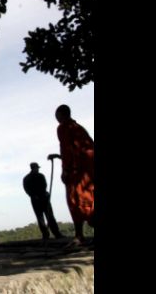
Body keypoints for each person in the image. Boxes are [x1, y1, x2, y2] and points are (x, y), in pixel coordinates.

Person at [50, 104, 94, 244]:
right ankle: (79, 235)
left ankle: (79, 236)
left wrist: (66, 170)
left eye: (57, 116)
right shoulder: (79, 128)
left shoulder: (64, 127)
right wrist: (59, 157)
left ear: (60, 115)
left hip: (77, 172)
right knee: (88, 199)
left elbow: (68, 150)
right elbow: (80, 149)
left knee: (75, 201)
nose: (56, 119)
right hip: (89, 169)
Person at [23, 162, 64, 240]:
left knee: (50, 217)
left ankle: (56, 234)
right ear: (33, 168)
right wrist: (34, 195)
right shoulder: (27, 178)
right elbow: (27, 189)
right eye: (36, 168)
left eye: (37, 168)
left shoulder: (39, 176)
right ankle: (46, 235)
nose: (37, 169)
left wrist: (45, 193)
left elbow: (44, 186)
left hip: (43, 198)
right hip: (37, 200)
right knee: (41, 218)